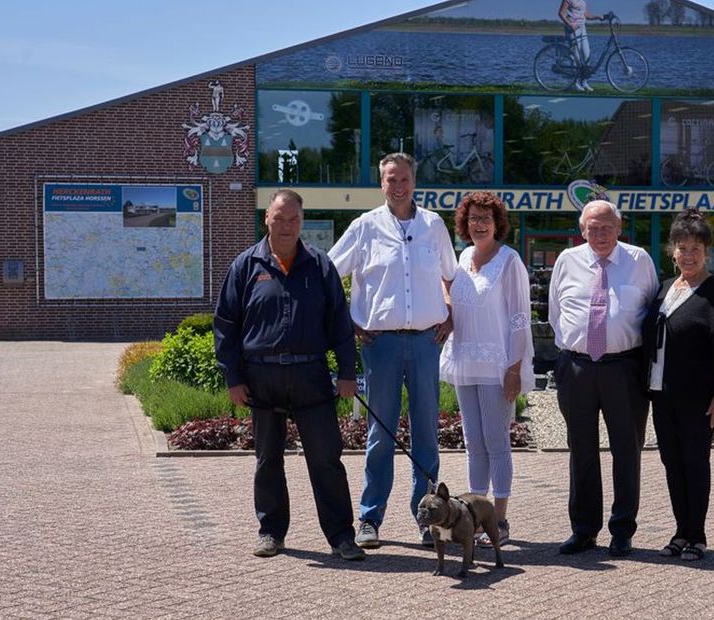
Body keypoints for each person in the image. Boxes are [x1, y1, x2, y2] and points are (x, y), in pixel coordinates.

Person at [213, 189, 365, 561]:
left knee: (326, 458)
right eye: (279, 218)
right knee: (267, 459)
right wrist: (233, 377)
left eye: (293, 219)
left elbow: (340, 324)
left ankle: (342, 537)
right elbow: (226, 324)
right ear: (267, 218)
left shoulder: (320, 265)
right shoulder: (245, 266)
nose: (286, 226)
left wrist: (348, 373)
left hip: (311, 375)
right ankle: (271, 532)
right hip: (261, 378)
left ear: (302, 222)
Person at [328, 152, 458, 549]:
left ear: (414, 181)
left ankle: (428, 519)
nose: (397, 186)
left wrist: (450, 316)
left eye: (403, 179)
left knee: (426, 435)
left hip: (424, 343)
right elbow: (329, 274)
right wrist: (348, 322)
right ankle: (370, 519)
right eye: (390, 179)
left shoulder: (433, 225)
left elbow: (451, 276)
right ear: (381, 183)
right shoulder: (364, 226)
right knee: (380, 436)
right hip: (379, 344)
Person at [549, 200, 659, 557]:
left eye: (606, 227)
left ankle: (622, 530)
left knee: (627, 450)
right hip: (577, 367)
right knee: (581, 450)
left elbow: (651, 313)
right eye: (592, 228)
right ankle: (583, 529)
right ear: (582, 230)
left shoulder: (639, 260)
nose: (599, 234)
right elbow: (555, 314)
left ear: (619, 227)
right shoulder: (567, 261)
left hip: (624, 368)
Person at [439, 191, 534, 547]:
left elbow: (519, 320)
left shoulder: (509, 262)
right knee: (473, 444)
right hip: (466, 362)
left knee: (497, 444)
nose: (478, 224)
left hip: (498, 366)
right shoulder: (462, 258)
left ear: (497, 224)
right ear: (464, 223)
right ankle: (475, 517)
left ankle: (502, 520)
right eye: (473, 218)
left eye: (485, 219)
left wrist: (514, 368)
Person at [642, 208, 714, 562]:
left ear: (707, 251)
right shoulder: (665, 289)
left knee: (695, 462)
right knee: (672, 462)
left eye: (695, 248)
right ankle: (681, 531)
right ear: (672, 251)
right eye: (682, 248)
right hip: (661, 394)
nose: (688, 255)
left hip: (699, 397)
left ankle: (697, 536)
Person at [558, 0, 603, 92]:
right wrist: (569, 24)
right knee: (575, 58)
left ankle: (584, 82)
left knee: (587, 56)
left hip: (583, 29)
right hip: (572, 30)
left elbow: (585, 14)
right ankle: (574, 83)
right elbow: (561, 13)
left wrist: (597, 17)